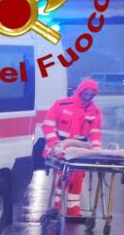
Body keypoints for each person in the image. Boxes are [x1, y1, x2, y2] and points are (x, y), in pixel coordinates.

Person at [41, 78, 103, 218]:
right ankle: (56, 207)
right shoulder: (61, 105)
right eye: (85, 94)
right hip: (59, 146)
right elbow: (48, 125)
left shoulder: (95, 112)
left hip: (80, 149)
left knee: (77, 177)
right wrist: (54, 143)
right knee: (61, 176)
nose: (87, 97)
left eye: (91, 95)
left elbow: (95, 133)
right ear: (79, 91)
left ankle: (73, 209)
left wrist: (96, 152)